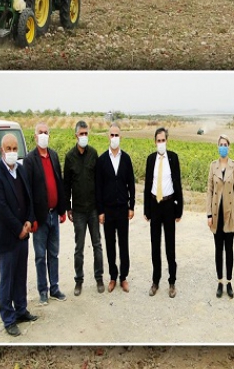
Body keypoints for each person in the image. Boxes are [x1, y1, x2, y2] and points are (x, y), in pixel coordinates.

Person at [0, 133, 38, 337]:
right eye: (8, 148)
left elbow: (29, 198)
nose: (11, 152)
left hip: (23, 235)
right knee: (7, 279)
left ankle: (21, 310)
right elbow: (2, 209)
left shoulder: (22, 169)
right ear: (1, 150)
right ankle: (8, 319)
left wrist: (29, 220)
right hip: (8, 237)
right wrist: (19, 228)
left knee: (20, 275)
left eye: (14, 148)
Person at [24, 122, 68, 306]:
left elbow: (60, 183)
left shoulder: (54, 156)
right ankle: (43, 290)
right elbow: (28, 192)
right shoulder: (29, 160)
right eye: (40, 132)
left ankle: (55, 288)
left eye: (46, 132)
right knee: (40, 255)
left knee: (54, 253)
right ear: (35, 137)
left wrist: (62, 209)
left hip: (54, 214)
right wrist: (31, 218)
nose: (43, 135)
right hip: (40, 218)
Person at [64, 120, 104, 296]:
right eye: (81, 134)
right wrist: (68, 207)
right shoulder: (69, 157)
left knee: (97, 245)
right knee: (79, 248)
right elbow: (66, 186)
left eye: (86, 133)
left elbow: (99, 181)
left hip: (93, 209)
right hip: (79, 211)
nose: (84, 137)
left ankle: (99, 278)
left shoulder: (94, 154)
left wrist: (101, 208)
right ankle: (78, 281)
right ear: (76, 136)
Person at [144, 127, 184, 298]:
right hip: (154, 204)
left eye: (163, 140)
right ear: (155, 142)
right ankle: (155, 281)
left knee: (170, 246)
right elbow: (147, 185)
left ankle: (172, 281)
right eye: (158, 140)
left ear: (167, 141)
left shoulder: (173, 158)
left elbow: (178, 184)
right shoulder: (150, 159)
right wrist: (146, 209)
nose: (161, 143)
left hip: (168, 205)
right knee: (155, 245)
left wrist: (179, 209)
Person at [95, 123, 135, 293]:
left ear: (120, 137)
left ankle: (123, 277)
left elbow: (131, 184)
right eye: (112, 135)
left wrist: (131, 205)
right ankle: (112, 276)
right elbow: (98, 187)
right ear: (108, 137)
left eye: (117, 135)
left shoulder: (126, 159)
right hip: (108, 210)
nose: (114, 138)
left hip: (122, 209)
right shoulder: (102, 160)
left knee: (123, 244)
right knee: (110, 244)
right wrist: (100, 211)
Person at [206, 135, 234, 299]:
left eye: (225, 144)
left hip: (229, 214)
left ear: (229, 147)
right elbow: (209, 191)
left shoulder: (233, 166)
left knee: (229, 249)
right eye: (220, 144)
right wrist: (208, 214)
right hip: (216, 214)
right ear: (217, 147)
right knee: (218, 249)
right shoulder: (213, 166)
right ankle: (220, 282)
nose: (223, 147)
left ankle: (229, 282)